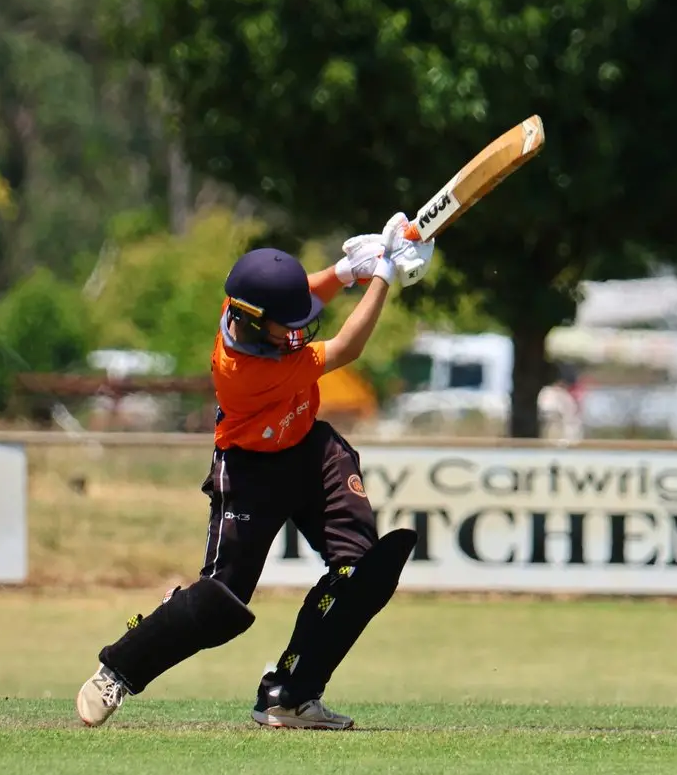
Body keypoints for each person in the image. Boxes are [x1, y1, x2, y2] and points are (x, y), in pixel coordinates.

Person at [75, 213, 433, 730]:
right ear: (257, 327)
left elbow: (291, 298)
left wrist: (343, 272)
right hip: (248, 471)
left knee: (359, 574)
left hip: (310, 452)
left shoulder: (244, 310)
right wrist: (383, 277)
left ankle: (290, 694)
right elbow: (349, 347)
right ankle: (120, 667)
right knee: (220, 603)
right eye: (288, 326)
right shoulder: (249, 369)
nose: (299, 329)